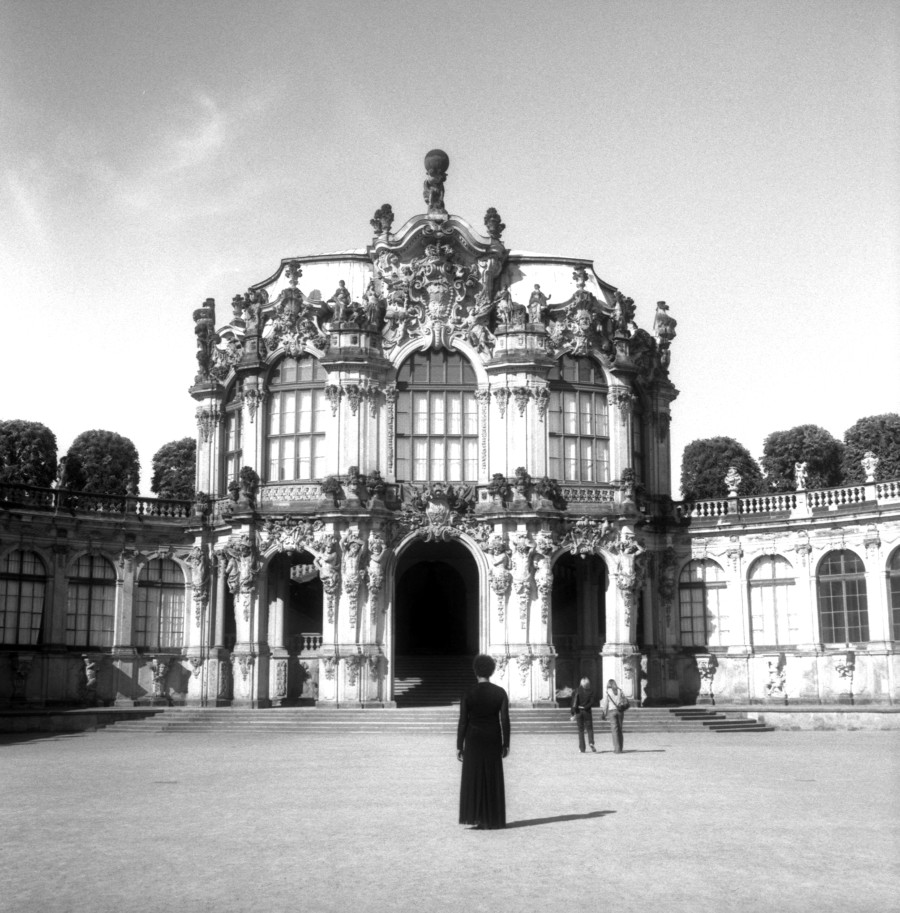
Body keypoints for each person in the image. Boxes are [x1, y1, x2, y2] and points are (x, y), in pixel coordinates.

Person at [457, 654, 510, 830]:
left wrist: (459, 745)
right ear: (492, 671)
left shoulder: (468, 693)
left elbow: (463, 720)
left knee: (474, 776)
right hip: (493, 736)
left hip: (473, 737)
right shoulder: (500, 692)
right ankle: (493, 818)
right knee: (492, 775)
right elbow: (505, 720)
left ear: (475, 671)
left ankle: (476, 816)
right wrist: (506, 743)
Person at [599, 679, 630, 753]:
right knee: (620, 730)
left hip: (612, 712)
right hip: (620, 711)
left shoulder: (607, 692)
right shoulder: (620, 690)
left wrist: (604, 713)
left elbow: (605, 704)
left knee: (614, 731)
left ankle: (617, 749)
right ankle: (621, 748)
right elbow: (624, 700)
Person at [570, 677, 596, 753]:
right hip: (587, 711)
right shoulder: (591, 691)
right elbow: (592, 702)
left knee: (581, 730)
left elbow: (573, 703)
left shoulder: (576, 691)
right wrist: (586, 707)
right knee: (590, 729)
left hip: (578, 711)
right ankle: (591, 742)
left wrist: (572, 713)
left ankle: (582, 748)